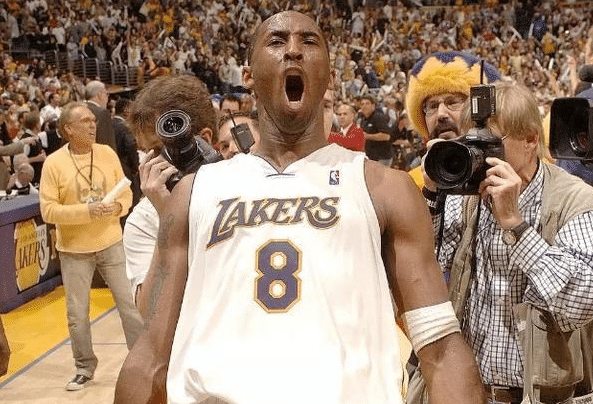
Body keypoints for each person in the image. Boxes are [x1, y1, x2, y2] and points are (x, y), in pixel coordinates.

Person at [114, 11, 484, 404]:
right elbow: (151, 354)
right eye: (276, 42)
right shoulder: (194, 192)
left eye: (309, 42)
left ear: (330, 76)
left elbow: (440, 346)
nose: (293, 50)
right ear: (248, 75)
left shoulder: (386, 189)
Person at [417, 81, 593, 404]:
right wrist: (432, 193)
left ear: (530, 140)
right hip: (469, 392)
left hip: (539, 397)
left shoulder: (574, 198)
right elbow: (428, 266)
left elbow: (579, 304)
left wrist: (515, 224)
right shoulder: (467, 194)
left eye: (490, 144)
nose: (478, 156)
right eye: (471, 142)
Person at [39, 102, 143, 391]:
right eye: (85, 121)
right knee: (77, 315)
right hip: (74, 251)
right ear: (68, 129)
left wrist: (117, 209)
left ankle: (140, 360)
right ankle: (84, 367)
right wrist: (86, 212)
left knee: (130, 305)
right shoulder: (53, 164)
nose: (92, 124)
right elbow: (48, 211)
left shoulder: (107, 153)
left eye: (93, 120)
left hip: (111, 242)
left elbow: (126, 194)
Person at [123, 75, 218, 302]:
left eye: (160, 149)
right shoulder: (143, 220)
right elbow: (150, 310)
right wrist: (169, 216)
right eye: (146, 152)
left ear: (204, 140)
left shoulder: (250, 193)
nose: (150, 164)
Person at [405, 51, 500, 187]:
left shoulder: (507, 177)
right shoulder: (412, 185)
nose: (441, 114)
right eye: (432, 106)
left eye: (452, 102)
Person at [112, 97, 141, 216]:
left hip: (113, 167)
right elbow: (130, 145)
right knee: (131, 203)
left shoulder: (109, 123)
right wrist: (135, 166)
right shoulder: (124, 126)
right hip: (126, 168)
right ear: (125, 110)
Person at [359, 94, 394, 166]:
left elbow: (386, 136)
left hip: (382, 157)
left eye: (367, 103)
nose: (364, 106)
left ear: (373, 105)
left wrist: (367, 136)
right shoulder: (363, 119)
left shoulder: (378, 117)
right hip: (371, 156)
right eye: (362, 104)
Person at [84, 80, 116, 150]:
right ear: (100, 95)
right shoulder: (102, 113)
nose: (107, 99)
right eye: (106, 94)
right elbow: (107, 144)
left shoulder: (74, 109)